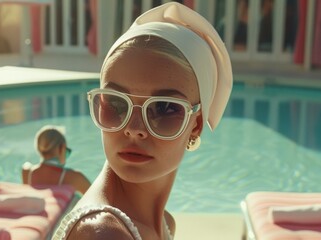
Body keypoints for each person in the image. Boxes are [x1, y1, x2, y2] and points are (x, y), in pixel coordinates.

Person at [53, 2, 233, 239]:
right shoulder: (104, 233)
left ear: (196, 125)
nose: (134, 129)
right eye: (116, 103)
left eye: (164, 108)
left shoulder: (163, 223)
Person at [22, 125, 91, 194]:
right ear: (62, 148)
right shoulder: (74, 177)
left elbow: (26, 165)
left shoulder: (27, 173)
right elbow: (96, 199)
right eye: (67, 151)